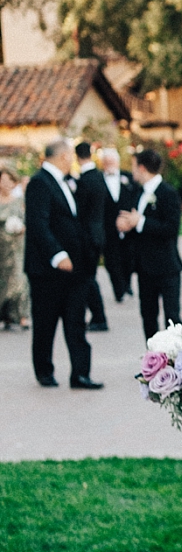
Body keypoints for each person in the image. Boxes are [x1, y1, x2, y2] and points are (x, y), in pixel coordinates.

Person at [22, 138, 102, 389]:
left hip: (74, 267)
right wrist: (58, 255)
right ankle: (44, 371)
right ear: (63, 156)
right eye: (70, 156)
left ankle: (80, 374)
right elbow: (38, 224)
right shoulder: (39, 183)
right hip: (47, 270)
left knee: (75, 321)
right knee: (46, 322)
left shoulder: (66, 182)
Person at [118, 147, 182, 340]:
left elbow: (171, 228)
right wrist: (126, 226)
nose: (132, 172)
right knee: (148, 315)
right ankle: (152, 359)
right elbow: (134, 224)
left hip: (166, 266)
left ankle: (178, 359)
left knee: (172, 317)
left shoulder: (168, 193)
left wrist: (141, 222)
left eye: (134, 167)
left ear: (142, 168)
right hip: (144, 266)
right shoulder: (137, 192)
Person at [74, 141, 110, 330]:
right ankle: (98, 316)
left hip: (87, 236)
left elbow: (80, 211)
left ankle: (99, 316)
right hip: (98, 232)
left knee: (87, 278)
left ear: (77, 157)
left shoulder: (84, 181)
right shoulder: (99, 177)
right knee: (90, 276)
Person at [99, 147, 136, 302]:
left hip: (128, 226)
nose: (109, 164)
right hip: (108, 228)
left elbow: (135, 198)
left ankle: (127, 284)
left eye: (111, 161)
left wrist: (129, 220)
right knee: (111, 260)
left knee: (128, 258)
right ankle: (118, 289)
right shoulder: (99, 180)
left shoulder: (128, 178)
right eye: (106, 162)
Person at [0, 164, 29, 330]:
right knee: (3, 281)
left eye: (9, 180)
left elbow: (28, 219)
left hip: (17, 245)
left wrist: (21, 227)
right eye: (3, 180)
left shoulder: (20, 200)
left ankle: (22, 315)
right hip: (1, 246)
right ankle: (6, 316)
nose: (6, 184)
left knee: (19, 278)